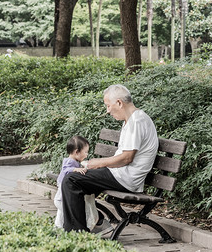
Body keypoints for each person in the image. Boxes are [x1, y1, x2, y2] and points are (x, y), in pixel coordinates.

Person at [61, 84, 159, 233]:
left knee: (71, 180)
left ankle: (77, 233)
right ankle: (95, 223)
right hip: (119, 174)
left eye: (108, 106)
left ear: (119, 103)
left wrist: (98, 163)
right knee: (74, 180)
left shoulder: (137, 122)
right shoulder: (132, 120)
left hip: (125, 178)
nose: (107, 111)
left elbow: (127, 158)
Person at [54, 136, 98, 230]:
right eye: (85, 152)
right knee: (63, 215)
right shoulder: (70, 162)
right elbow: (65, 170)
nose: (86, 155)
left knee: (61, 215)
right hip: (62, 200)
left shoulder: (74, 161)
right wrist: (75, 169)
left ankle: (59, 229)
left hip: (61, 199)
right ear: (76, 152)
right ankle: (61, 229)